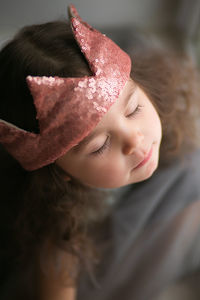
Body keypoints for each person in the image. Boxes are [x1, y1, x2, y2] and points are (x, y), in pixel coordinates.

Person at [0, 4, 200, 300]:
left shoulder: (170, 122)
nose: (135, 139)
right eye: (100, 146)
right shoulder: (59, 230)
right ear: (60, 173)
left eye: (134, 109)